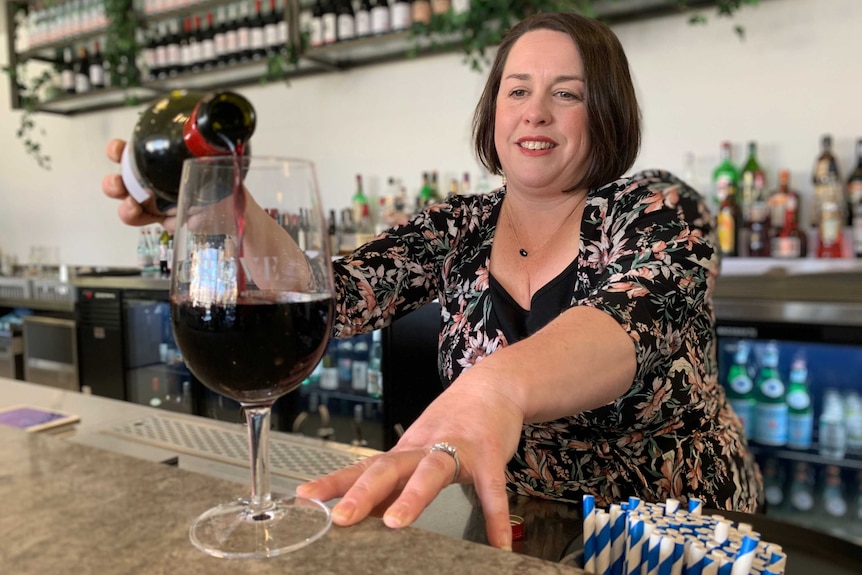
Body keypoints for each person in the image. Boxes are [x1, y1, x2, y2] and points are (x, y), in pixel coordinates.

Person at [102, 12, 762, 552]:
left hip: (680, 539)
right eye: (517, 90)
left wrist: (499, 384)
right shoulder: (459, 226)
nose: (536, 111)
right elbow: (324, 291)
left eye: (567, 92)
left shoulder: (658, 208)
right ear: (493, 113)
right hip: (517, 532)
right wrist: (223, 202)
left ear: (608, 113)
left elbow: (633, 319)